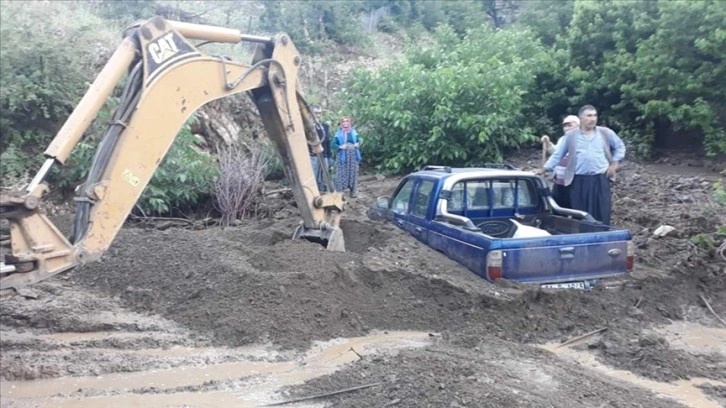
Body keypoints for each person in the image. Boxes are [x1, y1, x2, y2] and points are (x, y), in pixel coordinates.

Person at [538, 105, 625, 225]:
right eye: (589, 116)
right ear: (581, 118)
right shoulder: (571, 136)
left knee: (602, 212)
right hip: (578, 180)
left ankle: (601, 239)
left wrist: (614, 164)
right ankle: (584, 240)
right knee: (581, 215)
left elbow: (620, 147)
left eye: (595, 115)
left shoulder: (605, 133)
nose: (593, 119)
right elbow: (558, 155)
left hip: (600, 179)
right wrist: (544, 169)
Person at [540, 115, 580, 208]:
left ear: (578, 125)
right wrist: (548, 143)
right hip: (559, 180)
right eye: (564, 126)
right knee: (558, 206)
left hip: (574, 180)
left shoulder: (582, 139)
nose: (566, 128)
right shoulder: (563, 139)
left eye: (569, 125)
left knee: (573, 206)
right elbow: (557, 153)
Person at [332, 116, 362, 198]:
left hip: (353, 156)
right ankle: (340, 194)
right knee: (341, 173)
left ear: (349, 123)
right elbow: (333, 144)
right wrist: (340, 147)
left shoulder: (354, 132)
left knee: (353, 173)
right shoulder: (338, 133)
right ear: (341, 123)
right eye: (343, 121)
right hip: (343, 156)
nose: (345, 123)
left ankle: (353, 192)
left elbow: (359, 140)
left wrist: (357, 144)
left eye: (347, 121)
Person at [311, 106, 332, 192]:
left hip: (324, 155)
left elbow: (327, 142)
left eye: (320, 113)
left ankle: (326, 194)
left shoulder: (325, 126)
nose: (318, 115)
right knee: (314, 176)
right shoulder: (308, 127)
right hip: (313, 156)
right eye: (316, 113)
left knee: (325, 177)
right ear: (311, 113)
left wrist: (329, 156)